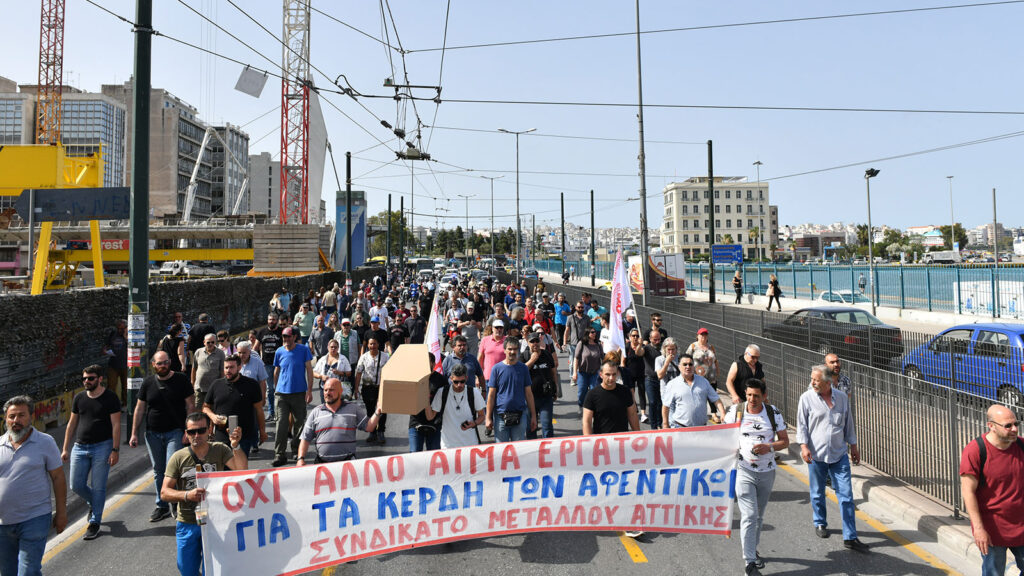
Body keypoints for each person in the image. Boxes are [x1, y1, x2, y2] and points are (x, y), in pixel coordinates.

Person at [162, 413, 247, 576]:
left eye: (201, 431)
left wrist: (235, 446)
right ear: (186, 434)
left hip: (216, 522)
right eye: (191, 432)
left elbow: (241, 470)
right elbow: (164, 492)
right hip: (188, 522)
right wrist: (187, 495)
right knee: (186, 570)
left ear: (209, 430)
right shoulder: (178, 458)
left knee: (217, 569)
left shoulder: (220, 450)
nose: (196, 435)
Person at [796, 364, 867, 552]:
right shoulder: (806, 398)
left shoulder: (842, 399)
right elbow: (802, 425)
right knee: (817, 492)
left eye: (816, 380)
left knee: (846, 496)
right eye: (812, 379)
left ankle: (850, 536)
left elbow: (848, 424)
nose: (812, 382)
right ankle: (820, 522)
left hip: (839, 455)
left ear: (827, 382)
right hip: (816, 455)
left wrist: (854, 446)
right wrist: (803, 447)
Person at [725, 379, 790, 576]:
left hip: (767, 472)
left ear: (764, 395)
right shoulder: (736, 411)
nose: (752, 399)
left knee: (759, 516)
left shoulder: (773, 413)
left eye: (757, 396)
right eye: (749, 395)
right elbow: (721, 436)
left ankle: (753, 549)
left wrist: (768, 447)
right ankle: (750, 562)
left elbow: (785, 441)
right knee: (750, 515)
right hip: (743, 471)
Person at [0, 396, 67, 575]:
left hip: (35, 518)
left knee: (28, 571)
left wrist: (61, 513)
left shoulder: (45, 442)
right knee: (7, 572)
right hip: (3, 523)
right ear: (5, 419)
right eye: (11, 416)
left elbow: (58, 477)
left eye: (21, 415)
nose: (16, 420)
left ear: (31, 416)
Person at [129, 352, 195, 523]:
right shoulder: (148, 383)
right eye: (159, 363)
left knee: (171, 468)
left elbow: (190, 406)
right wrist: (134, 433)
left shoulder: (181, 379)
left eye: (165, 362)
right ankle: (162, 505)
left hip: (175, 432)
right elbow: (139, 408)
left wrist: (189, 431)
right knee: (158, 471)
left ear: (170, 362)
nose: (163, 366)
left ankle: (175, 500)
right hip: (152, 434)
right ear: (153, 365)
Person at [960, 404, 1024, 576]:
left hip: (1021, 526)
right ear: (991, 426)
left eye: (1016, 423)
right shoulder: (975, 451)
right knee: (994, 573)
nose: (1014, 429)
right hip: (992, 530)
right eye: (1008, 425)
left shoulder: (1021, 446)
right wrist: (979, 529)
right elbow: (968, 492)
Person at [62, 364, 121, 541]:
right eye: (85, 378)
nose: (86, 381)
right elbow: (71, 424)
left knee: (99, 486)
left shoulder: (110, 397)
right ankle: (93, 503)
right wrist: (65, 448)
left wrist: (115, 450)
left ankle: (95, 522)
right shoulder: (79, 398)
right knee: (76, 485)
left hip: (102, 447)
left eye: (91, 378)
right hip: (80, 447)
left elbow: (116, 425)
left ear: (100, 379)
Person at [582, 361, 641, 538]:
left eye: (614, 374)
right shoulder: (592, 395)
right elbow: (586, 420)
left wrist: (639, 437)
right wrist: (588, 443)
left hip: (623, 447)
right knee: (604, 484)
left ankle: (627, 521)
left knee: (625, 484)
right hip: (601, 447)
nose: (611, 378)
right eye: (607, 374)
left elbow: (632, 414)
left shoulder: (624, 392)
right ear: (601, 374)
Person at [297, 378, 383, 464]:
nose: (327, 393)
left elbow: (369, 427)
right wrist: (300, 459)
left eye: (331, 390)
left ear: (340, 391)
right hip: (322, 466)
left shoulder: (353, 409)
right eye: (325, 390)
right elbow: (305, 438)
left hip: (348, 465)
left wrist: (377, 412)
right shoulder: (316, 412)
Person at [203, 354, 265, 455]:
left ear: (239, 367)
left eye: (231, 367)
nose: (228, 370)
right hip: (221, 435)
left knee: (240, 467)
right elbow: (206, 407)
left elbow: (259, 410)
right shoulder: (216, 384)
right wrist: (213, 417)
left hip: (243, 435)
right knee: (223, 468)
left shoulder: (251, 384)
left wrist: (262, 431)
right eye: (226, 367)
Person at [271, 326, 314, 467]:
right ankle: (279, 454)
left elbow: (309, 370)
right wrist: (276, 388)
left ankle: (296, 450)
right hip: (282, 395)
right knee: (281, 424)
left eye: (289, 337)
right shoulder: (279, 351)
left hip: (299, 393)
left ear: (294, 337)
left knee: (299, 424)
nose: (286, 339)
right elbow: (276, 372)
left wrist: (309, 391)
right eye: (284, 337)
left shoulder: (303, 350)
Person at [486, 338, 537, 442]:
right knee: (501, 452)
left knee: (518, 452)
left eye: (515, 349)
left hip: (520, 415)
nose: (512, 352)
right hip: (500, 416)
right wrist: (488, 417)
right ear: (504, 350)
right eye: (510, 349)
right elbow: (491, 395)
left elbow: (528, 394)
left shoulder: (523, 368)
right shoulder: (496, 369)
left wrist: (533, 416)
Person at [426, 364, 486, 449]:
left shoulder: (474, 392)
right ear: (451, 379)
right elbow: (430, 416)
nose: (459, 385)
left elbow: (482, 416)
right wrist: (426, 400)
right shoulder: (442, 392)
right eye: (456, 382)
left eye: (462, 381)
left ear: (466, 378)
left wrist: (474, 423)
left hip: (470, 444)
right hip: (448, 445)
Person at [661, 353, 725, 428]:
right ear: (679, 367)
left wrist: (723, 413)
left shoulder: (703, 382)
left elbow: (716, 399)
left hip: (701, 429)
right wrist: (665, 424)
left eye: (690, 364)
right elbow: (666, 406)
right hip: (680, 427)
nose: (688, 367)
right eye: (684, 364)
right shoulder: (672, 384)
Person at [354, 336, 390, 445]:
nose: (372, 346)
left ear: (378, 345)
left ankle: (381, 431)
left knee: (382, 410)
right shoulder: (364, 357)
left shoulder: (385, 357)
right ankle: (372, 431)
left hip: (381, 388)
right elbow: (359, 373)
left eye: (374, 344)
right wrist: (356, 389)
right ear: (368, 345)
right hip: (367, 388)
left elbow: (389, 372)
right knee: (370, 411)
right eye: (370, 344)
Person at [523, 331, 558, 439]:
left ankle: (548, 450)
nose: (535, 343)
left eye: (536, 341)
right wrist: (533, 360)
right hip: (529, 398)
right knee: (531, 427)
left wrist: (555, 389)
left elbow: (553, 372)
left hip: (545, 397)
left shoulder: (546, 354)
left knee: (547, 426)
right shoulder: (524, 355)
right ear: (527, 343)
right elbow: (520, 371)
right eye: (532, 341)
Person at [408, 353, 446, 452]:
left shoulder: (441, 380)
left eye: (427, 362)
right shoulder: (414, 377)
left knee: (434, 457)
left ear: (433, 364)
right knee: (415, 455)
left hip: (434, 424)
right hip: (416, 423)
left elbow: (444, 401)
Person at [686, 327, 721, 422]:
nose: (703, 337)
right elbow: (687, 359)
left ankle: (714, 414)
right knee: (699, 395)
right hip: (698, 376)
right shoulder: (693, 346)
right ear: (697, 336)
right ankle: (698, 413)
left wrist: (717, 371)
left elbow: (715, 360)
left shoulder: (711, 347)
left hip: (711, 376)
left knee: (713, 394)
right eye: (701, 335)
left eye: (705, 335)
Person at [256, 313, 283, 421]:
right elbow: (255, 348)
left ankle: (280, 413)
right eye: (270, 319)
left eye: (274, 319)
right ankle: (271, 413)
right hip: (266, 364)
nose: (271, 321)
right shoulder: (262, 332)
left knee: (280, 389)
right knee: (270, 390)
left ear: (277, 320)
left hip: (279, 364)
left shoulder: (281, 332)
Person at [572, 328, 604, 409]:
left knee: (594, 390)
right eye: (592, 332)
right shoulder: (582, 344)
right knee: (582, 392)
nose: (594, 334)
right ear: (587, 334)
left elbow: (603, 358)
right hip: (583, 373)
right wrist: (574, 372)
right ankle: (581, 404)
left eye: (595, 332)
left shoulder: (598, 344)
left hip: (595, 373)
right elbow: (576, 358)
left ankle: (591, 408)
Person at [191, 333, 225, 407]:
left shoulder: (220, 353)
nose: (210, 344)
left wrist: (222, 386)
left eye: (213, 342)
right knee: (198, 411)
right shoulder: (198, 352)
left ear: (215, 342)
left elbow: (222, 371)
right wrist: (192, 383)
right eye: (208, 342)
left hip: (214, 389)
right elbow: (194, 369)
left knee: (212, 411)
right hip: (199, 389)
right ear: (204, 342)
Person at [642, 329, 664, 430]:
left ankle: (659, 424)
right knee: (652, 402)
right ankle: (653, 426)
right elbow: (639, 352)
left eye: (659, 339)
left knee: (660, 403)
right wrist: (639, 345)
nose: (657, 341)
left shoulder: (663, 348)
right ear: (650, 339)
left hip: (662, 379)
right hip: (650, 379)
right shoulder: (646, 348)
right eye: (655, 339)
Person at [102, 319, 128, 403]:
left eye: (123, 328)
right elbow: (106, 345)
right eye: (119, 328)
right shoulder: (113, 334)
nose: (120, 330)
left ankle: (125, 404)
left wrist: (126, 336)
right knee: (111, 386)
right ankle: (112, 404)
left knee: (126, 386)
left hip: (126, 365)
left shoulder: (130, 336)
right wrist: (105, 351)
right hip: (113, 365)